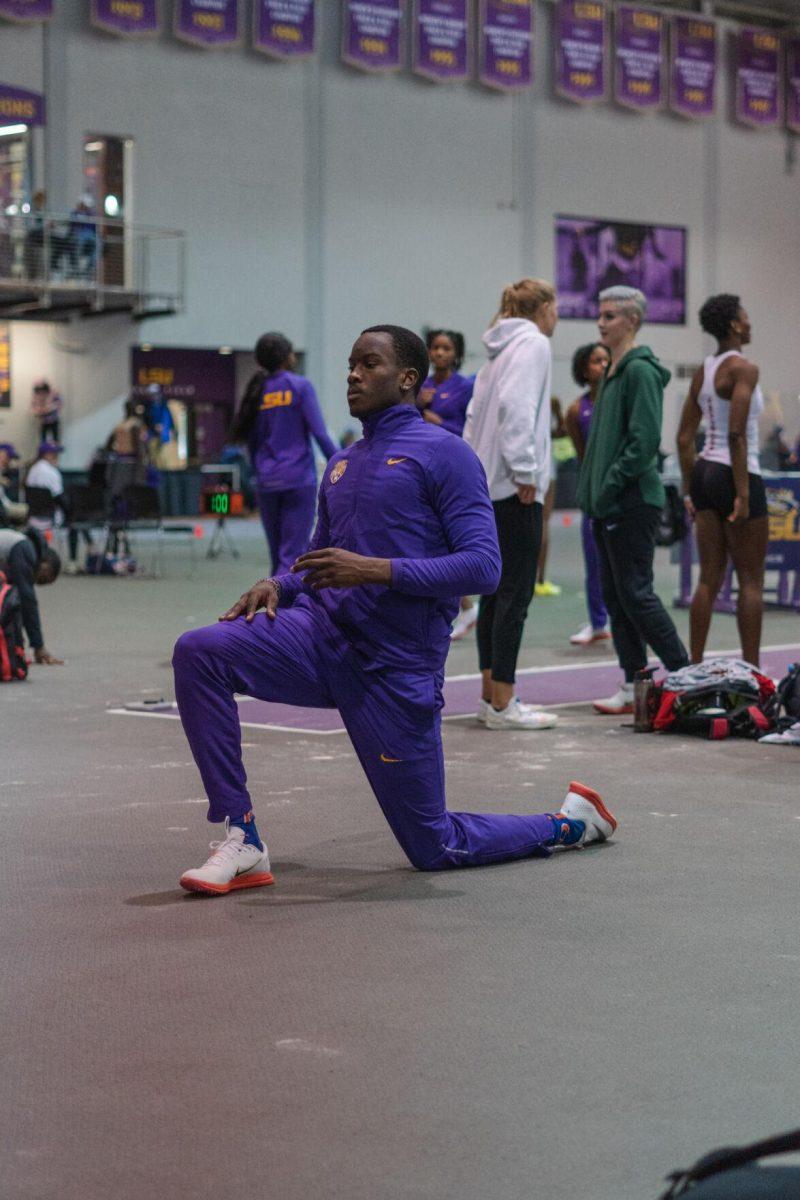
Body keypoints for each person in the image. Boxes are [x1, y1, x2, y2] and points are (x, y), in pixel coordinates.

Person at [171, 325, 616, 894]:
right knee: (200, 652)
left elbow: (486, 567)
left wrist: (378, 569)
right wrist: (280, 585)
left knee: (436, 847)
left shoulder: (447, 454)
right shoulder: (342, 464)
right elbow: (317, 559)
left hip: (396, 668)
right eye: (351, 364)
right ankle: (243, 838)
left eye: (369, 364)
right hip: (321, 639)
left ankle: (570, 823)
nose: (353, 375)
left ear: (407, 378)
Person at [577, 286, 688, 715]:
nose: (601, 323)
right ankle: (633, 683)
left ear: (632, 322)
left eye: (610, 316)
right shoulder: (611, 371)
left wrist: (607, 488)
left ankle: (681, 675)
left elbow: (643, 443)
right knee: (617, 594)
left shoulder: (640, 372)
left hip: (633, 501)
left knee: (637, 593)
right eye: (600, 315)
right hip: (608, 504)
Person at [464, 279, 560, 731]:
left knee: (494, 594)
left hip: (486, 484)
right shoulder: (534, 344)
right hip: (513, 486)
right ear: (543, 309)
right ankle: (504, 703)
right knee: (516, 595)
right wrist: (526, 471)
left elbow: (474, 416)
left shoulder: (497, 351)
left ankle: (491, 696)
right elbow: (517, 407)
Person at [676, 294, 767, 667]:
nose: (750, 323)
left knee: (708, 578)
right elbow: (737, 434)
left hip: (704, 473)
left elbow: (684, 438)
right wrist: (743, 494)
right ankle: (754, 670)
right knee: (750, 580)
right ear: (734, 325)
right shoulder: (744, 369)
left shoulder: (706, 369)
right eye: (746, 317)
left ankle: (694, 664)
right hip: (735, 473)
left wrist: (688, 490)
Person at [231, 332, 337, 574]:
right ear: (288, 356)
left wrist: (261, 473)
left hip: (267, 482)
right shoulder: (300, 386)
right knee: (292, 555)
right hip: (297, 480)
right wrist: (343, 463)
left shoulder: (257, 392)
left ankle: (274, 605)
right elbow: (319, 433)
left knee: (277, 554)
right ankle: (284, 608)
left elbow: (252, 442)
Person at [418, 328, 477, 640]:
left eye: (446, 348)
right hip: (423, 469)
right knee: (429, 541)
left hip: (452, 468)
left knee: (450, 540)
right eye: (435, 348)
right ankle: (462, 605)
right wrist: (417, 405)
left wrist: (443, 424)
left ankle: (464, 605)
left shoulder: (464, 387)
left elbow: (471, 429)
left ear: (456, 354)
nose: (440, 353)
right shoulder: (420, 386)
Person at [564, 343, 612, 645]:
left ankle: (621, 621)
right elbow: (583, 456)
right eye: (597, 361)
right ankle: (598, 623)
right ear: (584, 370)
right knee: (593, 561)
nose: (604, 365)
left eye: (607, 359)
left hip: (620, 492)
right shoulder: (575, 410)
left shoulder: (618, 402)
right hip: (593, 494)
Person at [25, 440, 93, 573]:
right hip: (50, 516)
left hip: (33, 514)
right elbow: (59, 499)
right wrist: (72, 512)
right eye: (55, 454)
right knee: (77, 520)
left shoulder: (32, 469)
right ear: (47, 455)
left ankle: (91, 548)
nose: (57, 457)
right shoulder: (51, 472)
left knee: (75, 516)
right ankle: (75, 560)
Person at [0, 526, 62, 664]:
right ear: (46, 564)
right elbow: (27, 600)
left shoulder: (20, 547)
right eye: (45, 579)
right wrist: (38, 645)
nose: (39, 583)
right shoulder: (25, 548)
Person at [534, 396, 567, 598]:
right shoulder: (552, 400)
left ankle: (529, 578)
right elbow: (562, 430)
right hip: (545, 468)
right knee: (543, 522)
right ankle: (539, 580)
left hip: (520, 467)